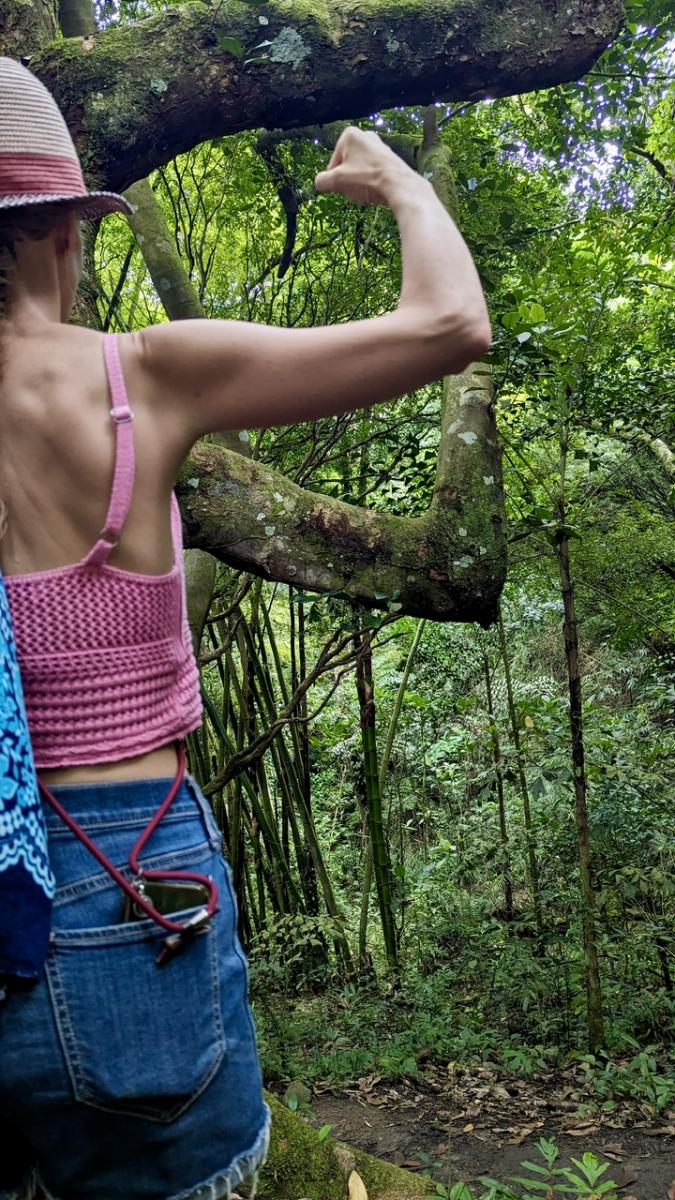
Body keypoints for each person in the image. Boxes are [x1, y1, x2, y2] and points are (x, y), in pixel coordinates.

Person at [0, 56, 490, 1200]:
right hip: (127, 876)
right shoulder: (138, 377)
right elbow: (449, 323)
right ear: (64, 237)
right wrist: (406, 185)